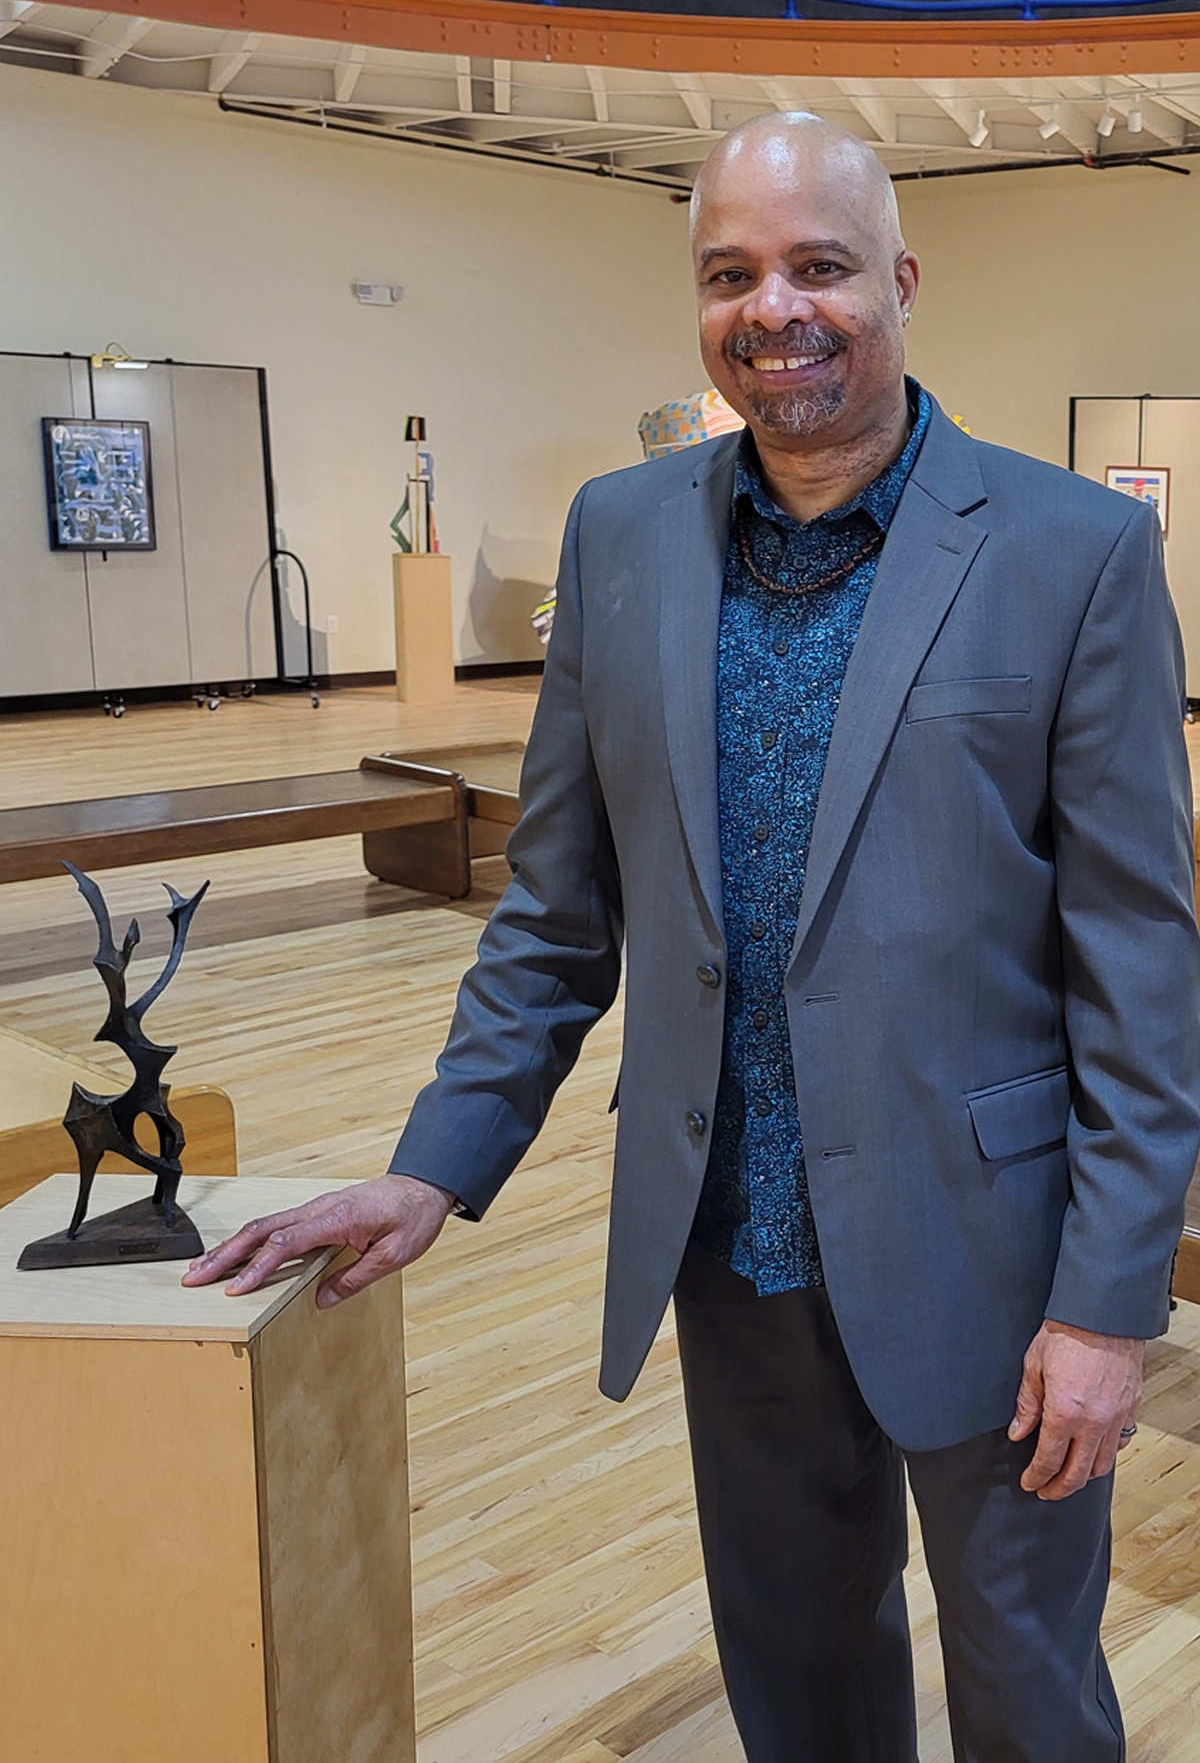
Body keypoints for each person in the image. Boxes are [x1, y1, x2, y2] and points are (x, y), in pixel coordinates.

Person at [185, 114, 1200, 1762]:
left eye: (818, 266)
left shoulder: (1070, 551)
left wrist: (1108, 1306)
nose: (773, 308)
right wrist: (435, 1161)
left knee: (1027, 1692)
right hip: (731, 1235)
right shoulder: (625, 535)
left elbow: (1141, 963)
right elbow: (558, 905)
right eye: (732, 274)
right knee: (796, 1679)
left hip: (993, 1257)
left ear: (901, 282)